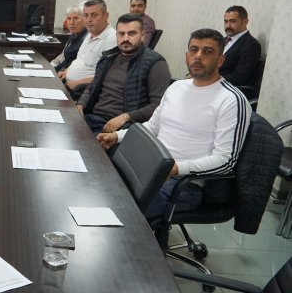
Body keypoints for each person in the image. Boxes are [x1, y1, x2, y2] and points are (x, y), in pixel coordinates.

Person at [97, 28, 250, 220]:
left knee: (118, 214)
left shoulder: (231, 100)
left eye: (207, 51)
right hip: (149, 168)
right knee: (99, 188)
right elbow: (152, 128)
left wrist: (177, 168)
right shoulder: (176, 87)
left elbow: (226, 161)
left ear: (220, 60)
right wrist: (117, 136)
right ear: (187, 56)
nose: (198, 56)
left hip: (184, 184)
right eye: (194, 50)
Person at [76, 13, 171, 134]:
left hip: (120, 128)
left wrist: (125, 117)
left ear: (142, 36)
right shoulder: (108, 57)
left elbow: (158, 106)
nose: (125, 38)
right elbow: (93, 86)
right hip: (90, 117)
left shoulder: (156, 63)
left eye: (132, 33)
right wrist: (80, 104)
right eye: (121, 34)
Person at [59, 0, 117, 95]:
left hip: (84, 91)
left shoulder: (112, 39)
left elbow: (107, 76)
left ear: (106, 16)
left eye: (94, 15)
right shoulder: (90, 33)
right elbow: (80, 60)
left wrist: (75, 83)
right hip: (68, 83)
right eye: (86, 15)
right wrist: (66, 72)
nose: (89, 20)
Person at [220, 5, 262, 87]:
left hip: (226, 88)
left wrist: (211, 79)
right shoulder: (221, 40)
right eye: (225, 21)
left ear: (245, 22)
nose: (228, 25)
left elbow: (239, 78)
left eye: (232, 21)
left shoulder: (251, 45)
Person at [50, 5, 88, 73]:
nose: (71, 22)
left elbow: (80, 64)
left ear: (85, 19)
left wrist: (62, 72)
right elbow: (63, 55)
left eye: (76, 18)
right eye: (69, 18)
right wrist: (50, 66)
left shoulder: (87, 38)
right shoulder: (73, 35)